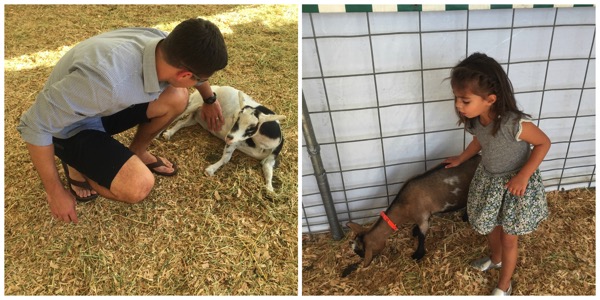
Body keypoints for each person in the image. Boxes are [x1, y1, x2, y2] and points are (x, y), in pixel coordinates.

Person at [18, 18, 228, 224]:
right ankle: (75, 163)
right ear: (185, 74)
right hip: (68, 125)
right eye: (198, 80)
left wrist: (209, 99)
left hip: (101, 105)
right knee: (138, 186)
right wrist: (55, 192)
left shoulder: (164, 43)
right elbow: (34, 124)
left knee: (178, 96)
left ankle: (138, 151)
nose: (200, 84)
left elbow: (191, 75)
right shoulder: (104, 81)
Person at [443, 53, 550, 296]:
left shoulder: (514, 124)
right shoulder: (476, 121)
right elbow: (479, 142)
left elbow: (543, 143)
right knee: (491, 226)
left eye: (465, 100)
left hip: (515, 186)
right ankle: (496, 258)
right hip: (489, 182)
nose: (458, 106)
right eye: (456, 99)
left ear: (490, 99)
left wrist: (523, 176)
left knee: (509, 237)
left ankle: (505, 285)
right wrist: (462, 158)